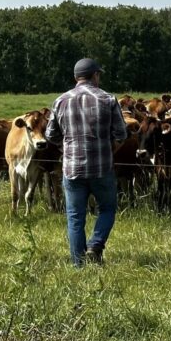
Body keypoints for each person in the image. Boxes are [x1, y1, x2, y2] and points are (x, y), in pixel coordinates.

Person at [45, 58, 128, 267]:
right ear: (95, 76)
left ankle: (79, 266)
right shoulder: (108, 99)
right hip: (102, 168)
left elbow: (50, 135)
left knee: (75, 218)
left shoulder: (60, 101)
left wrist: (66, 147)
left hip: (72, 168)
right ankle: (96, 245)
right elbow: (121, 133)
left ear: (76, 77)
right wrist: (109, 150)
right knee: (107, 208)